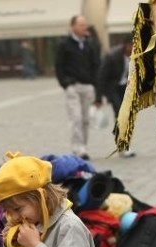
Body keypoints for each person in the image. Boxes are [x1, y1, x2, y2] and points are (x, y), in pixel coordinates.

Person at [55, 15, 103, 160]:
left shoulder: (90, 44)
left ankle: (84, 145)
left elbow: (97, 66)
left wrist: (97, 88)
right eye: (81, 25)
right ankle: (78, 148)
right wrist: (66, 84)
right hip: (73, 86)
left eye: (85, 25)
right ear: (73, 27)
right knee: (76, 117)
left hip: (88, 86)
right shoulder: (64, 45)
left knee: (86, 119)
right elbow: (59, 66)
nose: (84, 28)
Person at [97, 38, 136, 157]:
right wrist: (98, 97)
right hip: (112, 87)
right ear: (126, 45)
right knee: (120, 113)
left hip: (125, 87)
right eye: (132, 46)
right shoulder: (112, 56)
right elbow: (101, 76)